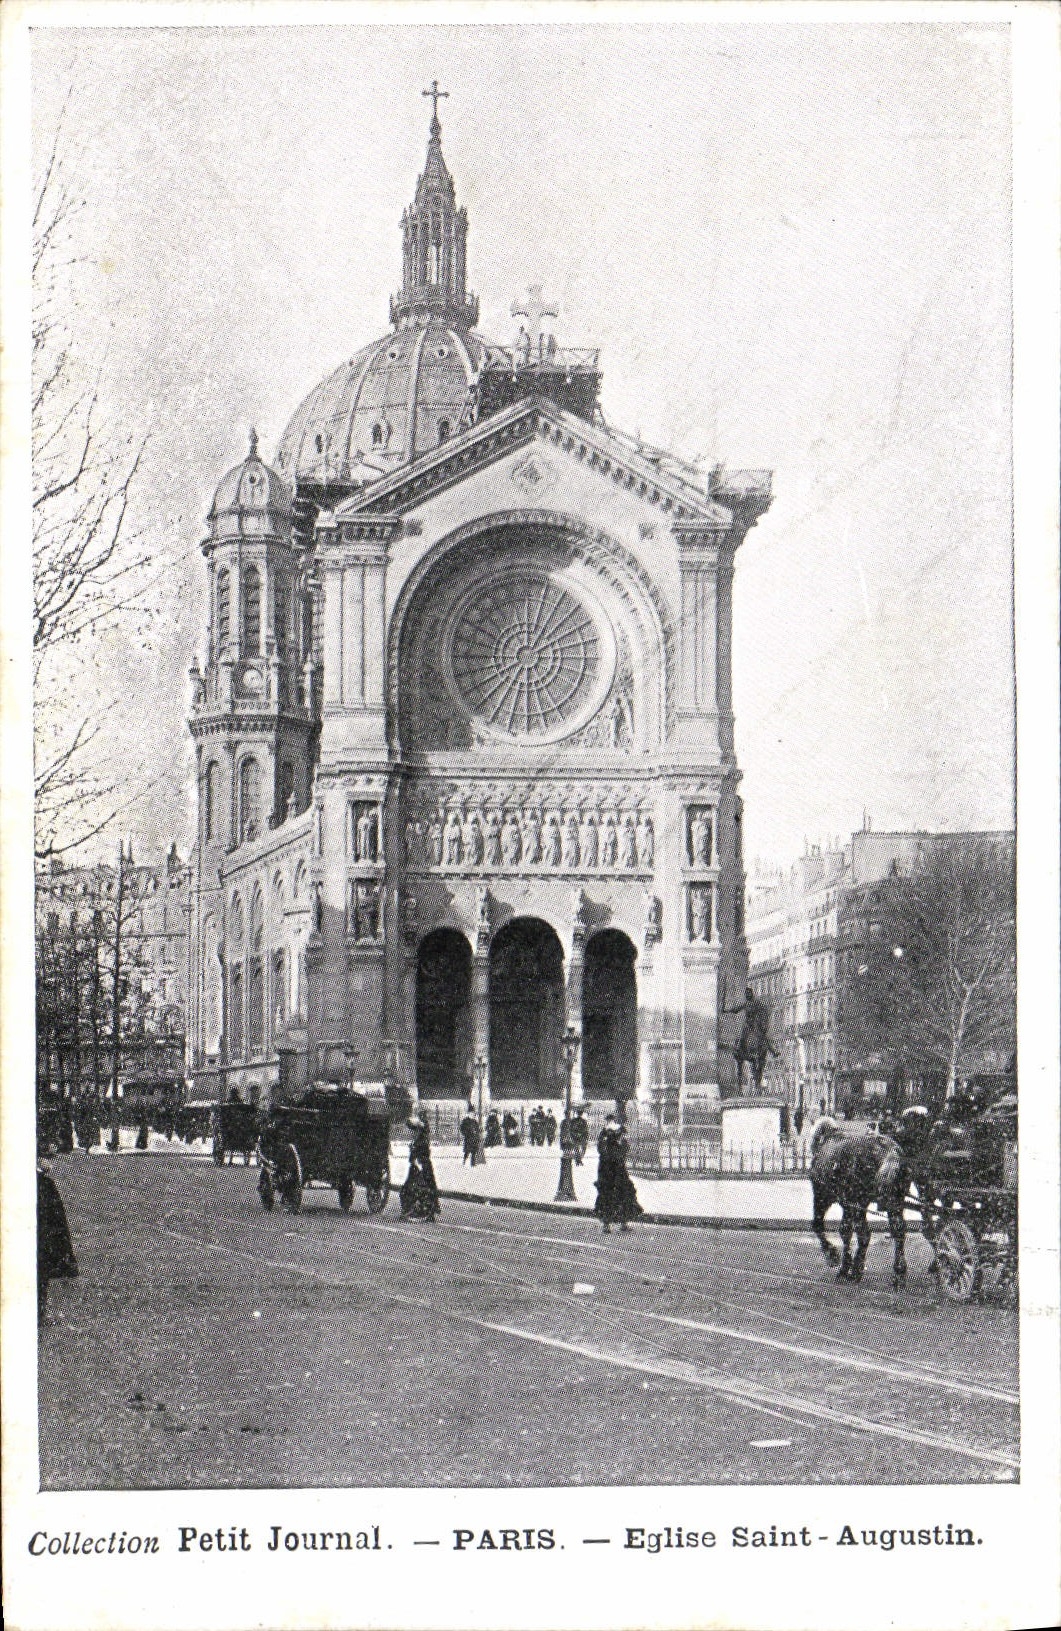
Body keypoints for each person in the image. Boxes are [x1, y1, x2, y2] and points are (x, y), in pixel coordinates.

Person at [37, 1145, 78, 1324]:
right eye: (47, 1158)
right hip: (42, 1238)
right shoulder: (43, 1183)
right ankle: (38, 1314)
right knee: (40, 1273)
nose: (50, 1164)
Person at [594, 1114, 643, 1234]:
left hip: (607, 1169)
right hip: (617, 1168)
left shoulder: (604, 1134)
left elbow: (601, 1149)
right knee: (622, 1193)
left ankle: (608, 1224)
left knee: (608, 1193)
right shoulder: (618, 1134)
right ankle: (621, 1222)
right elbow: (624, 1149)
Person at [400, 1113, 440, 1221]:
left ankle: (420, 1210)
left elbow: (422, 1150)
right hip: (419, 1164)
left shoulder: (422, 1135)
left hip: (420, 1164)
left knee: (417, 1187)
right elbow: (410, 1124)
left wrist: (416, 1159)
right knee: (420, 1186)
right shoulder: (420, 1133)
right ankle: (425, 1210)